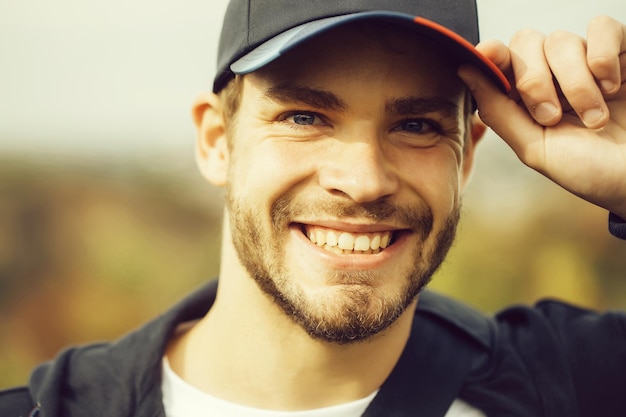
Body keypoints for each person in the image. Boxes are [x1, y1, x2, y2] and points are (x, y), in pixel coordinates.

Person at [2, 0, 625, 416]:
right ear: (216, 141)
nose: (363, 180)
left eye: (415, 124)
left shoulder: (574, 384)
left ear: (465, 157)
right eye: (304, 117)